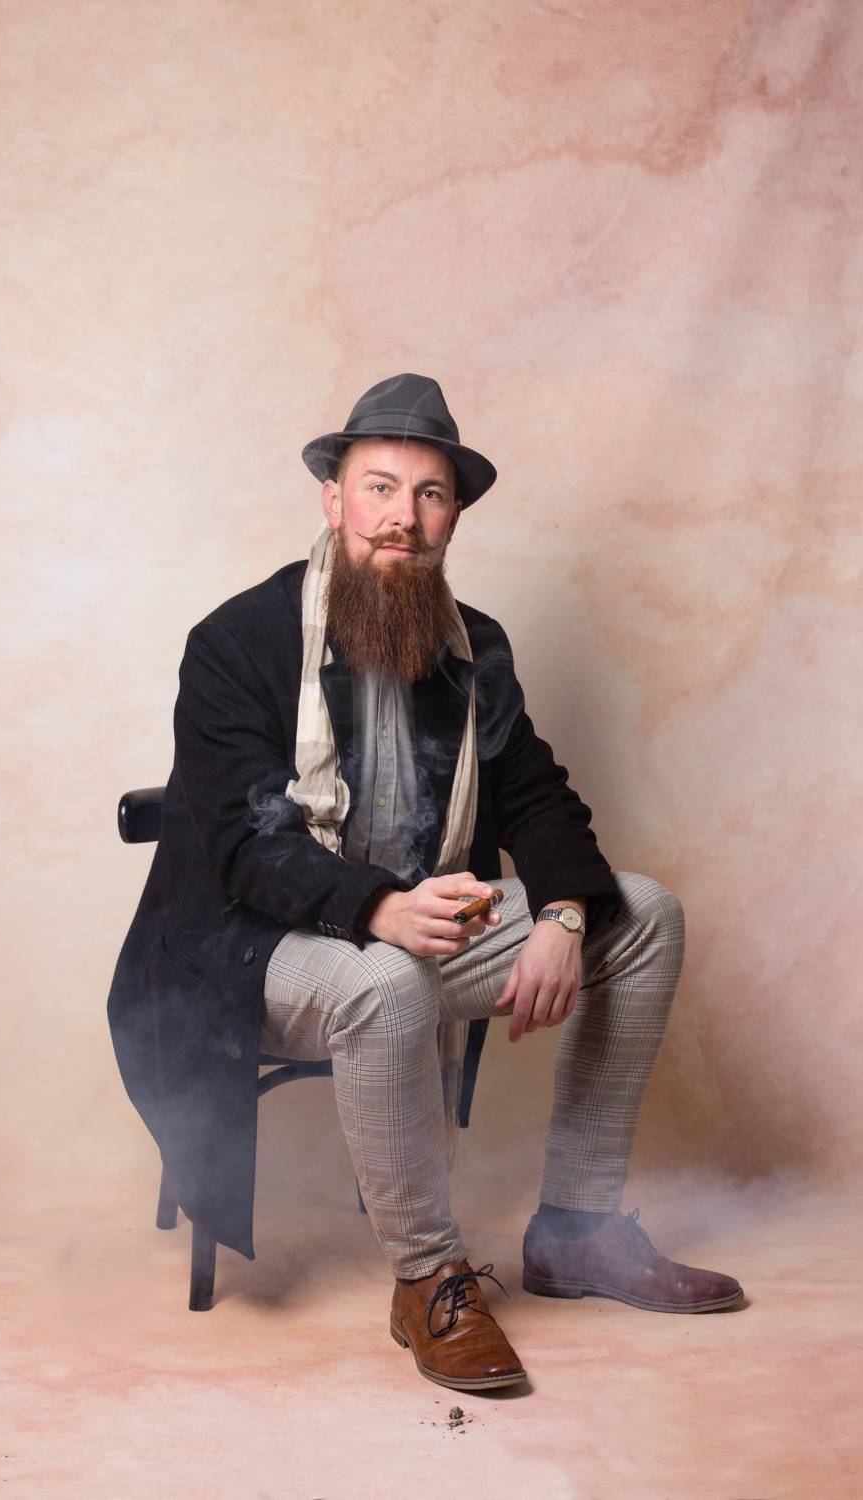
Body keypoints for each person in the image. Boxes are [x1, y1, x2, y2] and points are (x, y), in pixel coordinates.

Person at [108, 373, 742, 1394]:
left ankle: (576, 1231)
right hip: (255, 950)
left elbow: (535, 794)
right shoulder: (236, 642)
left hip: (422, 929)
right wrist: (378, 907)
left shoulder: (473, 646)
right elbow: (243, 840)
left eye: (430, 493)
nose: (403, 517)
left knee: (643, 913)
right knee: (385, 979)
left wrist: (563, 915)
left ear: (452, 516)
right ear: (334, 500)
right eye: (380, 488)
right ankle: (428, 1278)